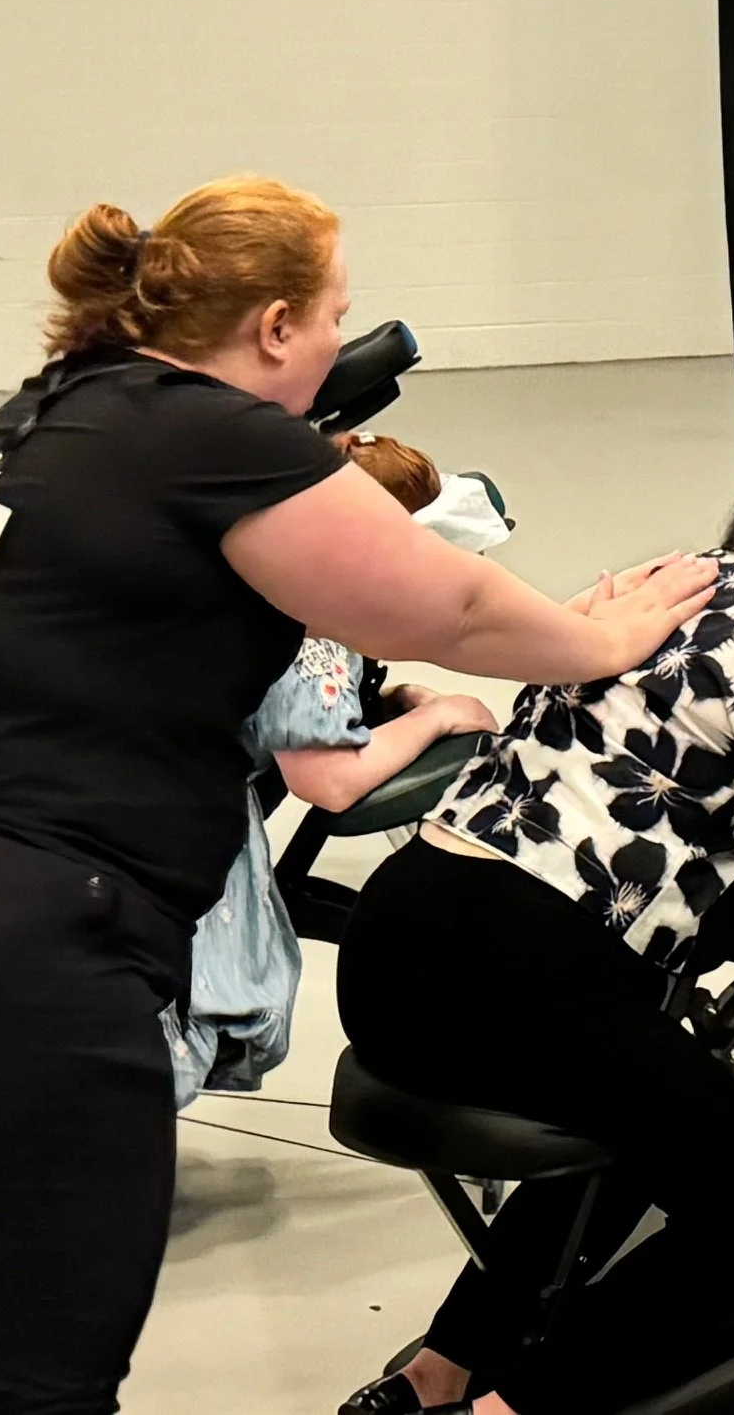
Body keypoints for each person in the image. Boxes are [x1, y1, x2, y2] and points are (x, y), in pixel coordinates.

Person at [0, 175, 715, 1415]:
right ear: (272, 329)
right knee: (43, 1366)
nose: (331, 343)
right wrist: (599, 639)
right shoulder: (220, 433)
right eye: (332, 316)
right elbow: (446, 603)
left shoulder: (44, 418)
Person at [335, 412, 734, 1415]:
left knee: (650, 1140)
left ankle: (433, 1378)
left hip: (399, 932)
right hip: (519, 967)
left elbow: (664, 787)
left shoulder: (679, 581)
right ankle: (512, 1409)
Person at [168, 432, 503, 1107]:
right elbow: (326, 778)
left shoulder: (259, 570)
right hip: (171, 817)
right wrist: (436, 718)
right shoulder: (318, 626)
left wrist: (386, 701)